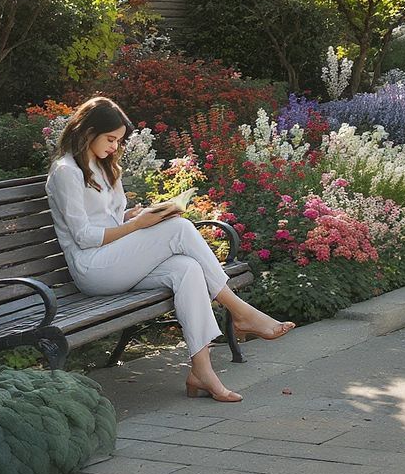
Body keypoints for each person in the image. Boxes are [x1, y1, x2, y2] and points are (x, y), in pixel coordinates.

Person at [45, 95, 294, 402]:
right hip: (92, 269)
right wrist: (138, 226)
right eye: (110, 139)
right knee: (180, 229)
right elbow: (83, 236)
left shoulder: (104, 166)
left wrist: (134, 216)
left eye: (119, 141)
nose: (115, 146)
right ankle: (240, 311)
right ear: (88, 131)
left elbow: (107, 220)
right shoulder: (66, 171)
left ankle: (201, 371)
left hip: (116, 261)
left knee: (187, 269)